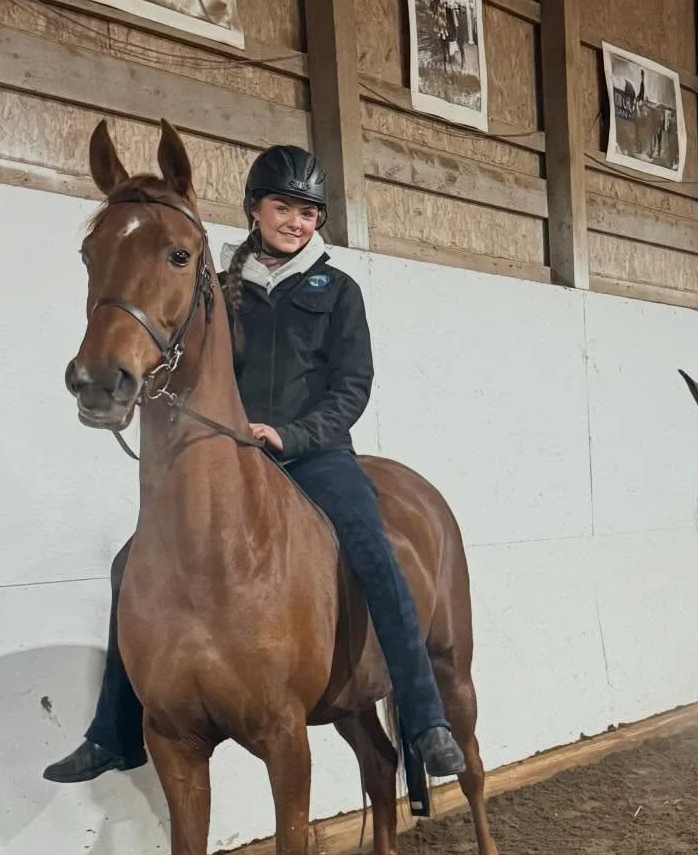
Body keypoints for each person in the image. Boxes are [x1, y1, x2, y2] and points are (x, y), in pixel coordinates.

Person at [44, 144, 467, 803]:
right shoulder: (223, 286)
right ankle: (114, 729)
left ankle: (426, 717)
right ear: (254, 209)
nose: (295, 221)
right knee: (131, 562)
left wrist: (291, 433)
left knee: (374, 551)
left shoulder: (338, 291)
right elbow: (189, 357)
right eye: (282, 207)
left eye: (307, 212)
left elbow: (351, 389)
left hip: (317, 453)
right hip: (237, 459)